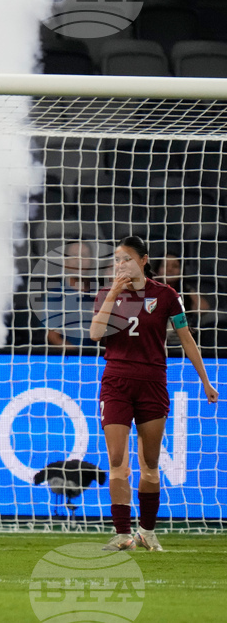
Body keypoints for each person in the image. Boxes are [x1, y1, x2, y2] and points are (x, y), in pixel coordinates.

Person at [89, 235, 218, 551]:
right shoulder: (107, 294)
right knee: (117, 460)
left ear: (143, 261)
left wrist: (205, 380)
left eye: (127, 259)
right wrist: (115, 294)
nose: (121, 265)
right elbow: (94, 334)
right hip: (116, 382)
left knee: (150, 462)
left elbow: (186, 339)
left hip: (152, 383)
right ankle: (123, 535)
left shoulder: (166, 295)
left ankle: (146, 531)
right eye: (117, 260)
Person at [45, 240, 98, 352]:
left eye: (84, 256)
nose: (79, 261)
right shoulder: (55, 295)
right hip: (70, 359)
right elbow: (53, 336)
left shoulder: (100, 293)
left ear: (92, 261)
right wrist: (80, 356)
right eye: (74, 256)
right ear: (65, 262)